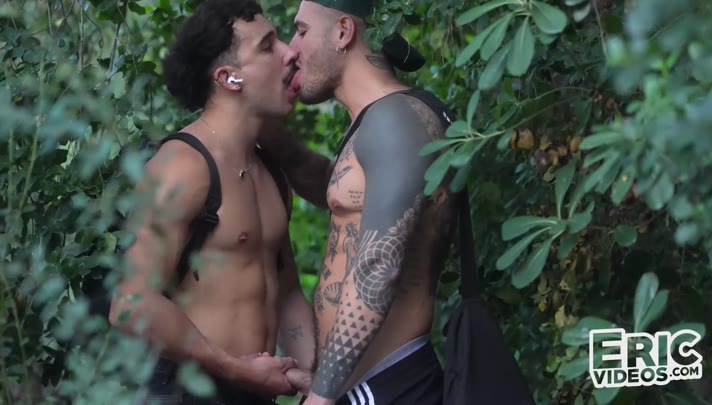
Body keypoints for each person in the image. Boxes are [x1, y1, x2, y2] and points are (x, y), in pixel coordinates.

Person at [107, 1, 315, 404]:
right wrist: (237, 370)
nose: (290, 52)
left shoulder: (268, 169)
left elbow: (288, 293)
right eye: (267, 46)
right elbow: (130, 304)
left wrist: (319, 384)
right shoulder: (181, 167)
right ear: (229, 78)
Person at [261, 0, 459, 404]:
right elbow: (345, 193)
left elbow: (380, 263)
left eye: (301, 31)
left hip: (389, 385)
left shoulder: (395, 119)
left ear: (343, 32)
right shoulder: (380, 118)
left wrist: (321, 397)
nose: (292, 50)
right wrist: (269, 135)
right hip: (367, 387)